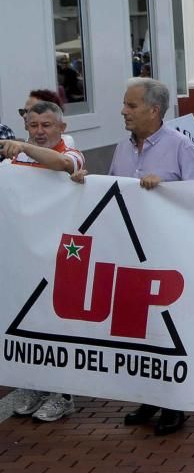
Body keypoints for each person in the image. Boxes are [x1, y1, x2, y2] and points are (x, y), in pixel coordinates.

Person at [71, 78, 194, 435]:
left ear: (153, 110)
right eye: (124, 105)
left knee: (170, 331)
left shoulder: (180, 147)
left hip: (167, 257)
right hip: (131, 255)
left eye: (130, 106)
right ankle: (149, 397)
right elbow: (114, 189)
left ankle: (175, 405)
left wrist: (164, 190)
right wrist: (87, 185)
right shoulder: (122, 147)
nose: (122, 111)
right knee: (141, 331)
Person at [2, 101, 85, 422]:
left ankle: (63, 394)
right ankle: (35, 384)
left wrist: (21, 147)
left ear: (61, 128)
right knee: (30, 320)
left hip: (62, 255)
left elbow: (62, 164)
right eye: (33, 126)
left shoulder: (74, 154)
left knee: (59, 324)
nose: (39, 132)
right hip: (26, 253)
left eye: (46, 125)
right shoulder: (16, 160)